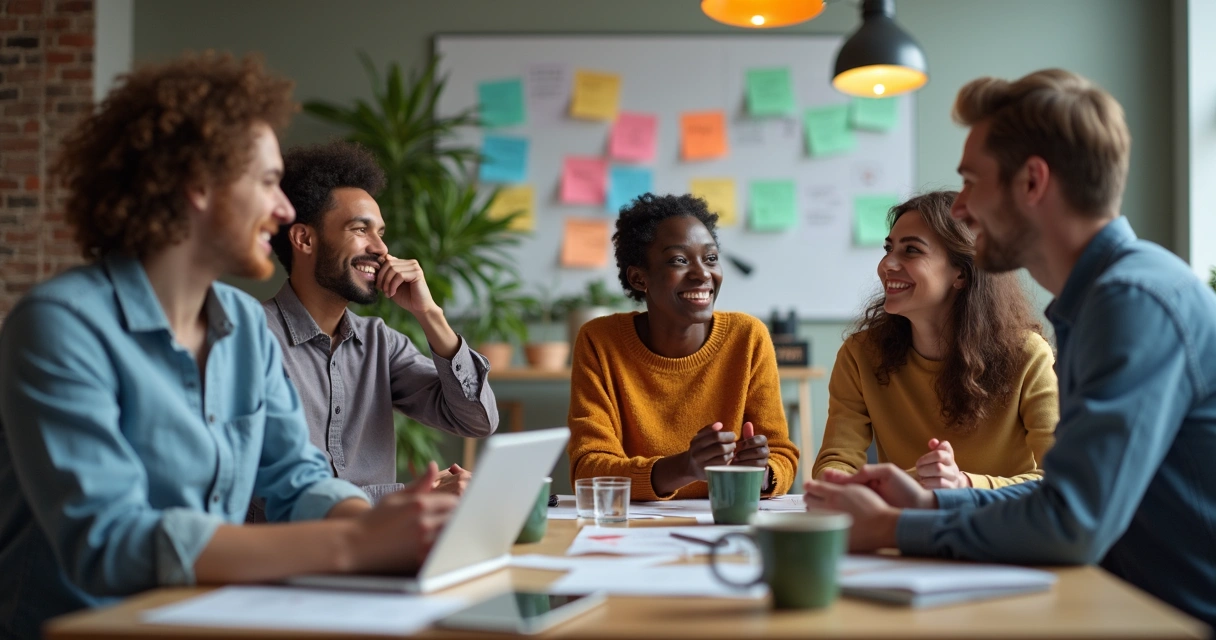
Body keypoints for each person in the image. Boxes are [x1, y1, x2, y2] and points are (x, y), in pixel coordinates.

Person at [0, 54, 457, 638]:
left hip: (210, 619)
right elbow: (109, 541)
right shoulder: (60, 325)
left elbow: (295, 476)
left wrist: (380, 528)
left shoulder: (241, 324)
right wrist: (354, 540)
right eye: (268, 182)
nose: (286, 209)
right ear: (196, 184)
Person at [804, 69, 1216, 628]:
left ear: (1032, 183)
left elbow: (1072, 521)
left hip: (1172, 617)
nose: (965, 210)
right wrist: (928, 503)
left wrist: (893, 528)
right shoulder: (1096, 301)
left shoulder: (1131, 301)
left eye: (973, 181)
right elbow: (1067, 501)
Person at [260, 141, 498, 508]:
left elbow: (477, 421)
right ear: (304, 238)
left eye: (381, 233)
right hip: (294, 557)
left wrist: (429, 313)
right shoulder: (253, 336)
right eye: (360, 229)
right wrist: (413, 497)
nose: (381, 249)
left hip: (382, 552)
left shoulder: (379, 342)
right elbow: (278, 492)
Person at [813, 190, 1058, 490]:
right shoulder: (860, 354)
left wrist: (964, 484)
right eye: (888, 248)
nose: (887, 264)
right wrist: (842, 482)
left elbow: (1061, 479)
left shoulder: (1028, 356)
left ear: (962, 274)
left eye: (911, 250)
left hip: (1000, 529)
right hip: (906, 529)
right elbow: (836, 461)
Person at [567, 193, 799, 501]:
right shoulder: (600, 341)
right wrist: (685, 466)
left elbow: (782, 456)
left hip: (723, 524)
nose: (703, 273)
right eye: (679, 260)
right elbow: (588, 469)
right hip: (635, 530)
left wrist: (761, 474)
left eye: (711, 258)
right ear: (639, 278)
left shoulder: (748, 337)